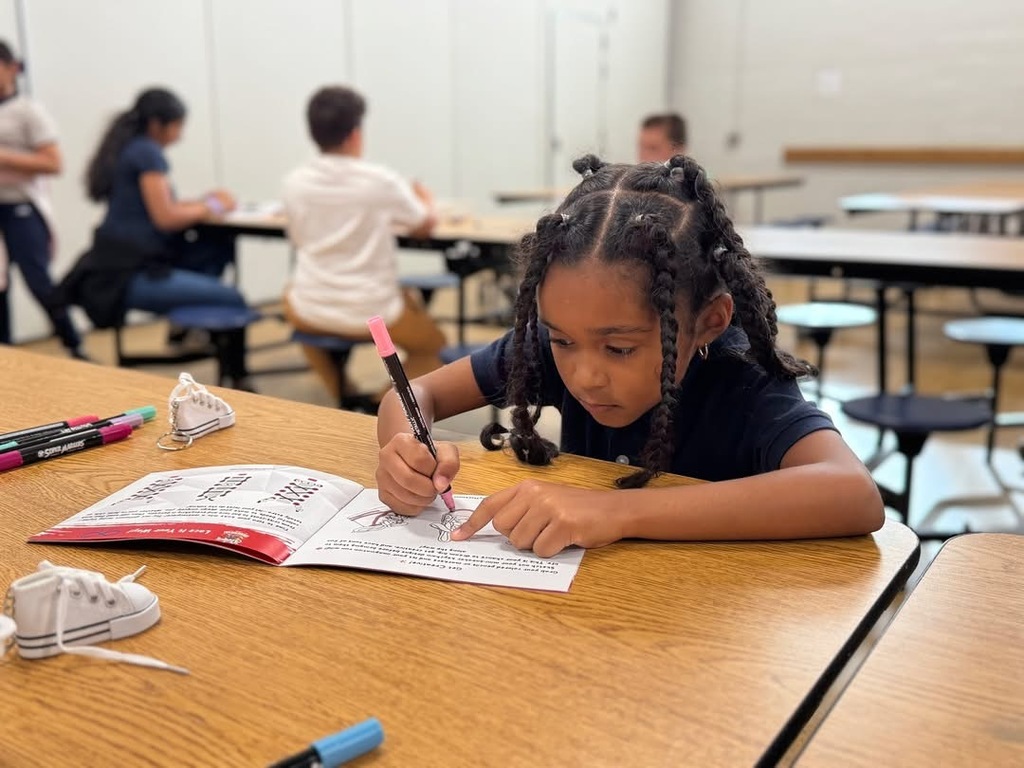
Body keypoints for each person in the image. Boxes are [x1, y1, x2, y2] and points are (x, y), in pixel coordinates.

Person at [375, 154, 884, 558]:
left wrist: (619, 512)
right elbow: (414, 393)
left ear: (709, 321)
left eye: (620, 348)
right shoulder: (561, 345)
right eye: (561, 340)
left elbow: (852, 493)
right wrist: (405, 450)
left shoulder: (741, 376)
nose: (585, 375)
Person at [67, 87, 253, 388]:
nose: (180, 135)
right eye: (178, 126)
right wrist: (214, 205)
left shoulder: (130, 149)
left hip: (121, 268)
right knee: (233, 298)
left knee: (213, 248)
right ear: (157, 124)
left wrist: (201, 202)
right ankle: (240, 380)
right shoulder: (146, 153)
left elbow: (161, 207)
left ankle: (187, 331)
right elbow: (165, 217)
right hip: (132, 276)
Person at [282, 85, 445, 404]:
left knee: (291, 302)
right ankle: (380, 403)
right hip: (372, 313)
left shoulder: (294, 183)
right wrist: (428, 201)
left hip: (311, 306)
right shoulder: (379, 181)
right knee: (433, 346)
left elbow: (297, 238)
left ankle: (342, 396)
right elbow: (423, 224)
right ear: (355, 133)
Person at [0, 40, 86, 358]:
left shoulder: (27, 112)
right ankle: (5, 352)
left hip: (22, 207)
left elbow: (53, 163)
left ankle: (74, 344)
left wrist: (5, 158)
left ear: (12, 68)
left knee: (38, 280)